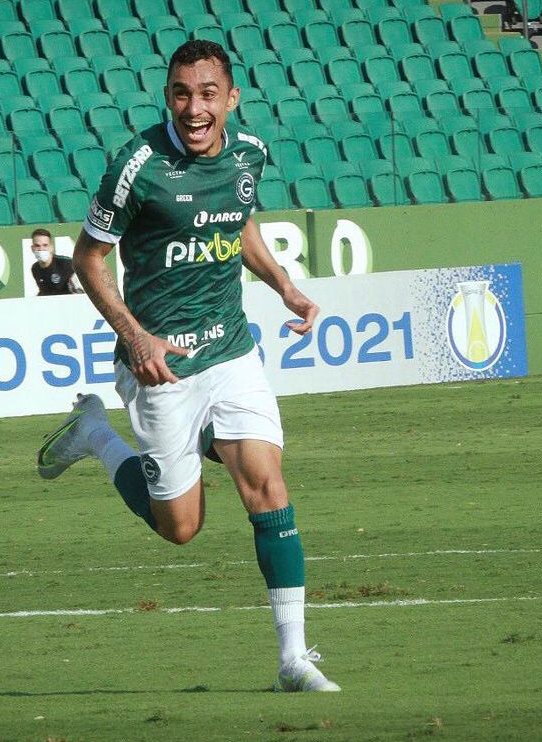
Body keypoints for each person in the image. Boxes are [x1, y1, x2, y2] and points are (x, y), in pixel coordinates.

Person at [36, 40, 339, 693]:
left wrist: (284, 286)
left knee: (266, 483)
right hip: (159, 365)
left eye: (207, 94)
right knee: (180, 528)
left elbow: (238, 222)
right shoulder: (136, 167)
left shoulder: (249, 154)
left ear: (231, 98)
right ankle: (94, 432)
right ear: (167, 97)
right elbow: (88, 259)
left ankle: (293, 660)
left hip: (229, 350)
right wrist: (137, 338)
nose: (194, 107)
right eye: (181, 93)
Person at [29, 228, 75, 296]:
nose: (41, 249)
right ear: (32, 249)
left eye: (45, 245)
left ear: (51, 247)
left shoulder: (67, 264)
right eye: (37, 246)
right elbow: (44, 291)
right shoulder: (35, 268)